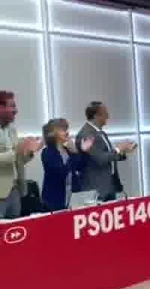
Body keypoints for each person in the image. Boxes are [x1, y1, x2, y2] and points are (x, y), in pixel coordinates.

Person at [76, 101, 135, 201]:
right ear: (96, 116)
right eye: (105, 113)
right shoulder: (86, 134)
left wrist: (123, 151)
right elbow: (100, 159)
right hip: (96, 187)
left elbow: (107, 155)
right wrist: (118, 149)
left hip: (109, 184)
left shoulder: (101, 133)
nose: (108, 116)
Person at [0, 91, 42, 219]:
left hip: (15, 190)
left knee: (16, 228)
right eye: (12, 106)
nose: (16, 110)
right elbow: (13, 153)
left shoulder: (12, 129)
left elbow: (18, 159)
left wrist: (29, 151)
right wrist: (18, 151)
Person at [41, 118, 94, 211]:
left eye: (66, 129)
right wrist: (73, 154)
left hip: (72, 196)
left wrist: (83, 151)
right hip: (55, 199)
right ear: (53, 133)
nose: (67, 132)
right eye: (63, 130)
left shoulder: (68, 150)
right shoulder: (47, 152)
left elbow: (80, 167)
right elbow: (61, 172)